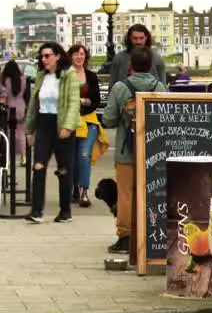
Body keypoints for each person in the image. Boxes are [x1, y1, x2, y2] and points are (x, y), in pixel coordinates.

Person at [101, 47, 167, 254]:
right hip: (153, 150)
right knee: (152, 193)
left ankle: (125, 237)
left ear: (130, 66)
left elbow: (108, 119)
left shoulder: (120, 88)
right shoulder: (160, 87)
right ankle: (153, 236)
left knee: (125, 195)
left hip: (126, 150)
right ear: (150, 66)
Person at [23, 42, 80, 223]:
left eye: (47, 56)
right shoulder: (41, 75)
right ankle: (36, 211)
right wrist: (29, 130)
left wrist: (68, 126)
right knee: (38, 166)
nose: (44, 59)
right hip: (44, 123)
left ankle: (65, 212)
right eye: (42, 56)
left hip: (62, 123)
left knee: (64, 170)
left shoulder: (69, 74)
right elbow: (33, 104)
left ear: (57, 56)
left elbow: (73, 102)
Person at [68, 44, 104, 207]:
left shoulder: (91, 76)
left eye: (82, 54)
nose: (79, 57)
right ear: (70, 57)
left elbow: (96, 101)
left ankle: (83, 190)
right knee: (72, 158)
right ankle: (74, 188)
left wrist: (84, 102)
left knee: (84, 155)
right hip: (69, 121)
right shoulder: (65, 76)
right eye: (76, 54)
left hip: (89, 121)